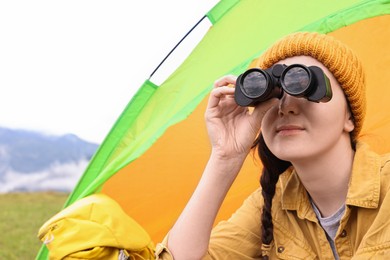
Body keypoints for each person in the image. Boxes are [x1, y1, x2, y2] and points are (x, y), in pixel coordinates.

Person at [155, 32, 390, 259]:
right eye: (273, 93)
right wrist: (224, 157)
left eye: (302, 84)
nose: (285, 107)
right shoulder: (269, 205)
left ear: (349, 115)